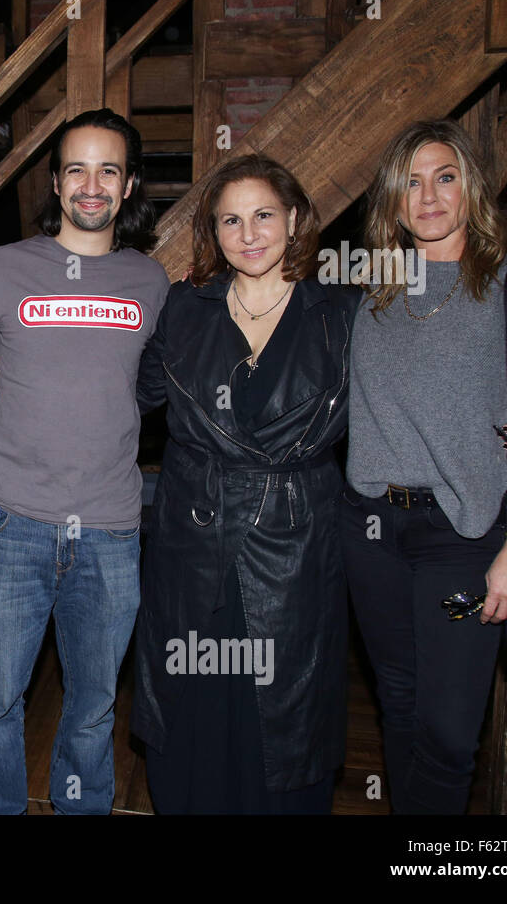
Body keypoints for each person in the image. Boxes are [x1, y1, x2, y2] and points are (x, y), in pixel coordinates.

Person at [342, 119, 507, 814]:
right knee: (400, 711)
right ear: (391, 200)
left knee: (446, 734)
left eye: (445, 177)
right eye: (411, 182)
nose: (430, 196)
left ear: (470, 188)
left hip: (464, 538)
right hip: (372, 530)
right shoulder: (367, 292)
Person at [131, 154, 357, 814]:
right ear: (214, 232)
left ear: (293, 219)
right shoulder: (184, 308)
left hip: (295, 544)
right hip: (191, 540)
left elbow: (392, 409)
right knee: (193, 698)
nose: (249, 232)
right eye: (231, 219)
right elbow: (126, 397)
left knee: (284, 715)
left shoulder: (342, 314)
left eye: (263, 215)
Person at [0, 108, 169, 814]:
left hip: (110, 531)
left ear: (129, 184)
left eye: (108, 169)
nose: (91, 183)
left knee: (92, 708)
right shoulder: (4, 268)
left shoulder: (151, 283)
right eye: (76, 167)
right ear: (54, 181)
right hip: (10, 524)